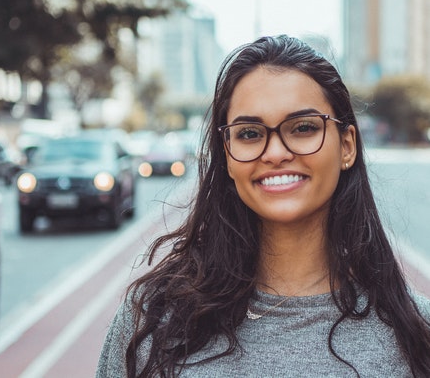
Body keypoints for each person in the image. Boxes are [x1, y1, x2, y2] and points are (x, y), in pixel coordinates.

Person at [96, 35, 430, 377]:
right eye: (250, 134)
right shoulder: (151, 322)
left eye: (302, 128)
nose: (275, 153)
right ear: (227, 154)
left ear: (346, 146)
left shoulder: (417, 333)